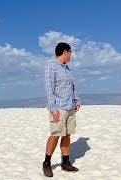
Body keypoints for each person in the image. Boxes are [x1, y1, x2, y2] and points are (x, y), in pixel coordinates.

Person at [42, 42, 81, 177]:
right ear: (65, 52)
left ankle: (65, 163)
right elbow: (49, 89)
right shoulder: (50, 66)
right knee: (55, 134)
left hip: (70, 107)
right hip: (58, 108)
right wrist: (53, 109)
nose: (71, 54)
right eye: (70, 52)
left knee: (67, 135)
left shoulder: (66, 68)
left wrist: (76, 100)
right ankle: (47, 163)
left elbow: (72, 86)